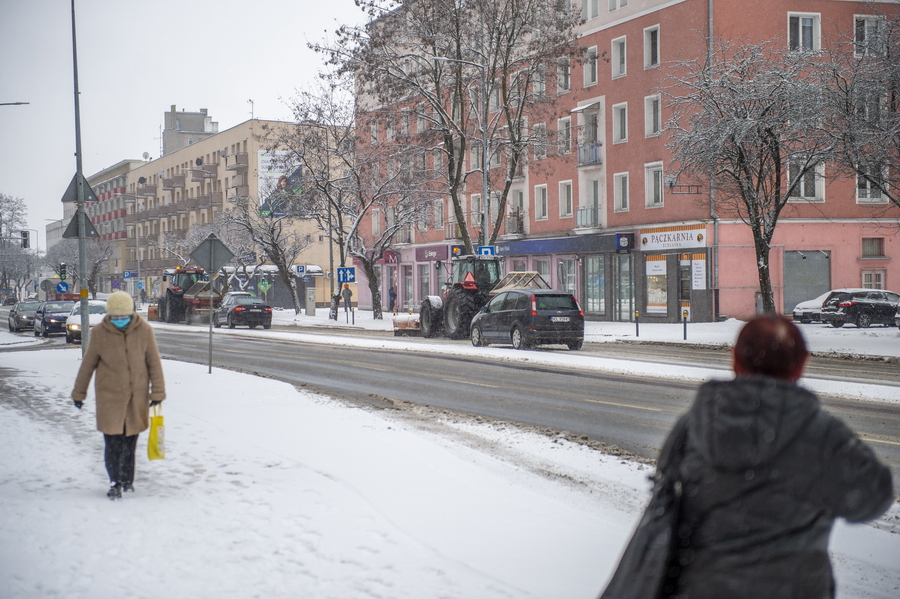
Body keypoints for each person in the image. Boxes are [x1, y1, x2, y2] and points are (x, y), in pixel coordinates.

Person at [605, 316, 893, 599]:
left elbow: (666, 501)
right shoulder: (826, 436)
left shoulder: (692, 427)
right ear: (801, 364)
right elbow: (873, 499)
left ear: (735, 359)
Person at [71, 290, 166, 500]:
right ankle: (115, 481)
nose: (119, 320)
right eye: (116, 316)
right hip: (109, 398)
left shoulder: (144, 331)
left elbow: (154, 363)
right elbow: (88, 366)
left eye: (123, 316)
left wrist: (157, 392)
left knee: (129, 442)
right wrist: (79, 393)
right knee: (112, 442)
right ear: (109, 315)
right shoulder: (99, 333)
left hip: (136, 398)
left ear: (131, 314)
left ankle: (127, 479)